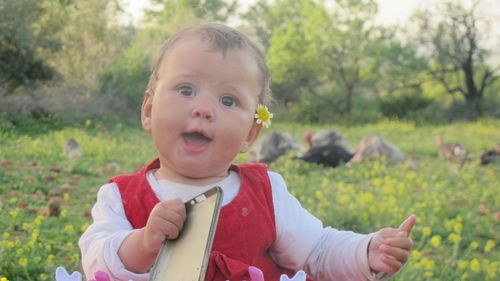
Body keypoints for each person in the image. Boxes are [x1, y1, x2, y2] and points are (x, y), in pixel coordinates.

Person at [79, 23, 416, 281]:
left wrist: (367, 251)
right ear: (149, 110)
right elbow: (96, 258)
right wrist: (142, 244)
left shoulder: (266, 192)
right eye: (186, 89)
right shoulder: (119, 196)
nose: (203, 109)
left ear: (250, 134)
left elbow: (317, 249)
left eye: (228, 100)